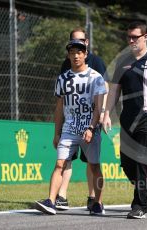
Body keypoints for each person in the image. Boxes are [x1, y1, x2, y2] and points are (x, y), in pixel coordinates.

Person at [101, 21, 147, 219]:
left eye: (135, 36)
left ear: (145, 37)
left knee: (143, 161)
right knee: (127, 163)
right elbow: (114, 91)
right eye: (129, 37)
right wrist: (106, 113)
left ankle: (139, 205)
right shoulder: (123, 61)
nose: (132, 40)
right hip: (128, 119)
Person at [35, 39, 107, 215]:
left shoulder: (96, 77)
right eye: (72, 52)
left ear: (85, 54)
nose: (76, 55)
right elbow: (59, 108)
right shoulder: (63, 78)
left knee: (94, 166)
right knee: (60, 163)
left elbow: (98, 107)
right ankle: (50, 201)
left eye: (79, 52)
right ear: (68, 55)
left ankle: (97, 203)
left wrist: (91, 128)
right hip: (69, 129)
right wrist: (56, 133)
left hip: (89, 129)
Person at [55, 28, 108, 211]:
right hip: (71, 123)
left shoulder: (96, 64)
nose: (76, 54)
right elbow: (62, 98)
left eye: (82, 41)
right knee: (64, 160)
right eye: (74, 43)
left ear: (87, 44)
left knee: (92, 163)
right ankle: (60, 196)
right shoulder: (66, 65)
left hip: (90, 122)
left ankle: (94, 198)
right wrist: (59, 129)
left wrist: (104, 114)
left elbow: (104, 89)